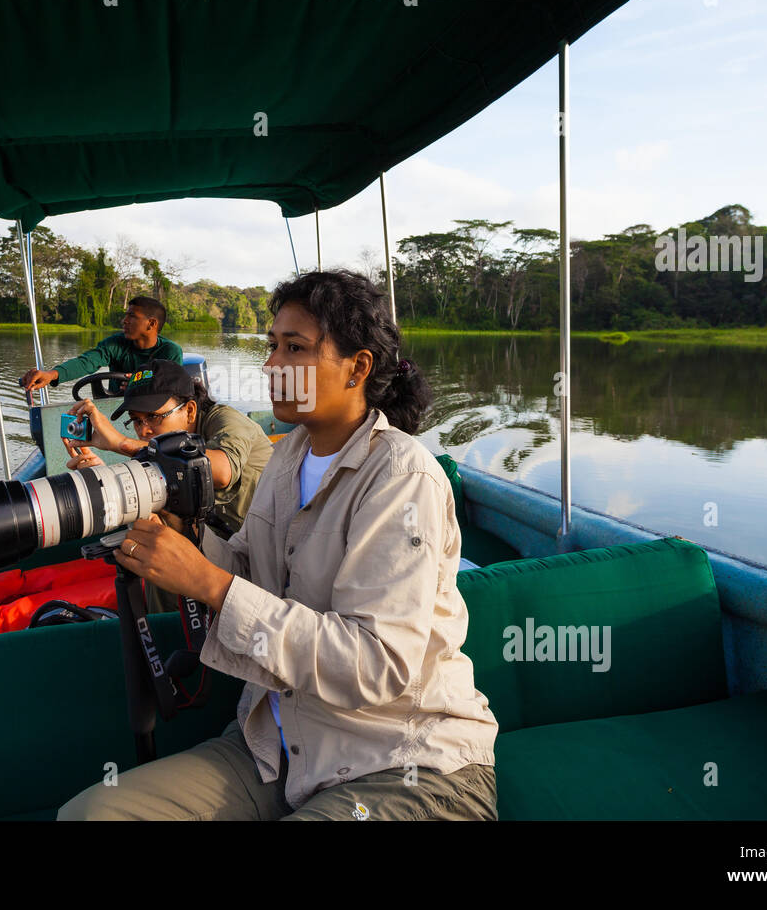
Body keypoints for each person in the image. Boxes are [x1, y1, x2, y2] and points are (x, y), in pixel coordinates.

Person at [57, 269, 499, 821]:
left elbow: (375, 664)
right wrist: (175, 532)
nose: (271, 366)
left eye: (295, 348)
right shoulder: (288, 458)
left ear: (358, 367)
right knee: (94, 815)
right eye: (272, 347)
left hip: (401, 763)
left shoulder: (403, 477)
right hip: (275, 745)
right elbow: (246, 569)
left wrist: (208, 582)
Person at [61, 359, 274, 611]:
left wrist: (122, 444)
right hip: (217, 541)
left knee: (163, 543)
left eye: (153, 416)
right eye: (137, 421)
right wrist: (102, 476)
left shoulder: (226, 420)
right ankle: (163, 634)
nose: (144, 430)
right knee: (151, 532)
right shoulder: (164, 452)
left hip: (262, 559)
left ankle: (172, 635)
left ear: (190, 410)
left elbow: (222, 471)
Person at [20, 296, 182, 401]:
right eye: (126, 315)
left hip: (151, 414)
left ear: (152, 323)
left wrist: (143, 382)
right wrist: (51, 375)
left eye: (131, 316)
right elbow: (86, 362)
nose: (124, 321)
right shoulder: (115, 343)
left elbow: (172, 387)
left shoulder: (170, 351)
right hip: (114, 408)